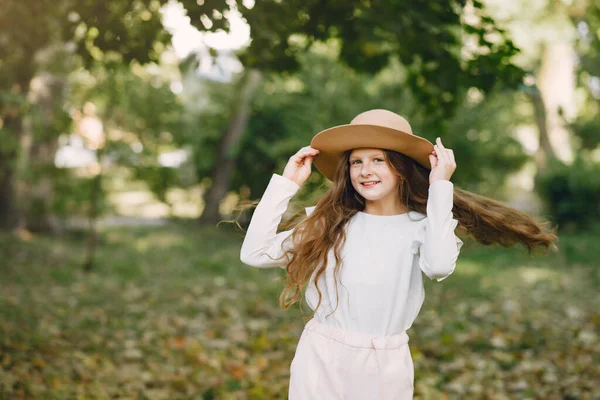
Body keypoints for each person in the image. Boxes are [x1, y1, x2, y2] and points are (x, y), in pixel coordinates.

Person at [239, 109, 558, 399]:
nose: (365, 170)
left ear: (401, 168)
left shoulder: (422, 227)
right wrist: (285, 184)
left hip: (387, 362)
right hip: (322, 355)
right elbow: (254, 254)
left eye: (378, 160)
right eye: (356, 162)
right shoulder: (328, 221)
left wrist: (440, 187)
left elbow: (439, 266)